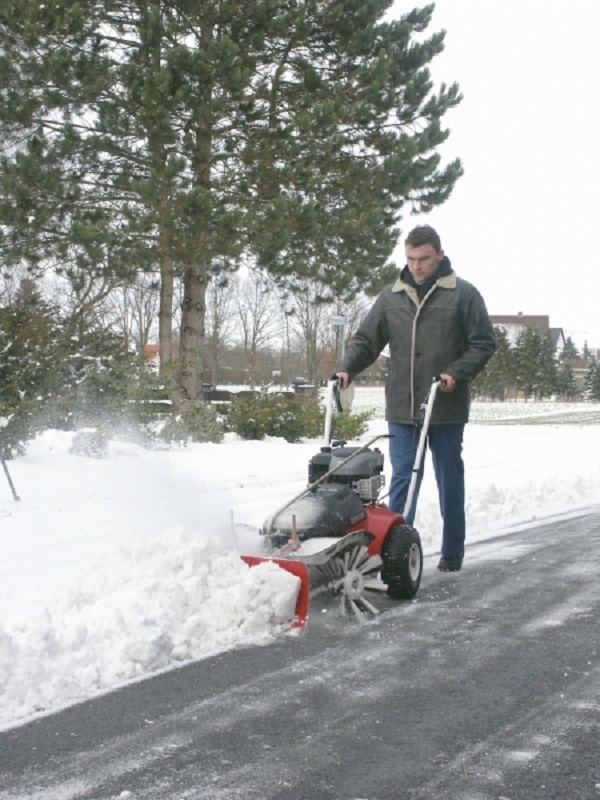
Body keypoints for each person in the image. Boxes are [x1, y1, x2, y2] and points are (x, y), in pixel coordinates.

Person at [336, 225, 496, 571]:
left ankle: (452, 551)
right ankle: (394, 554)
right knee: (403, 479)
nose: (417, 266)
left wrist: (455, 372)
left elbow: (484, 343)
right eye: (410, 258)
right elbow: (366, 341)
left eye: (423, 258)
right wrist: (347, 368)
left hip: (445, 406)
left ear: (440, 255)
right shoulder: (391, 297)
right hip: (402, 405)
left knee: (448, 478)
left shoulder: (463, 295)